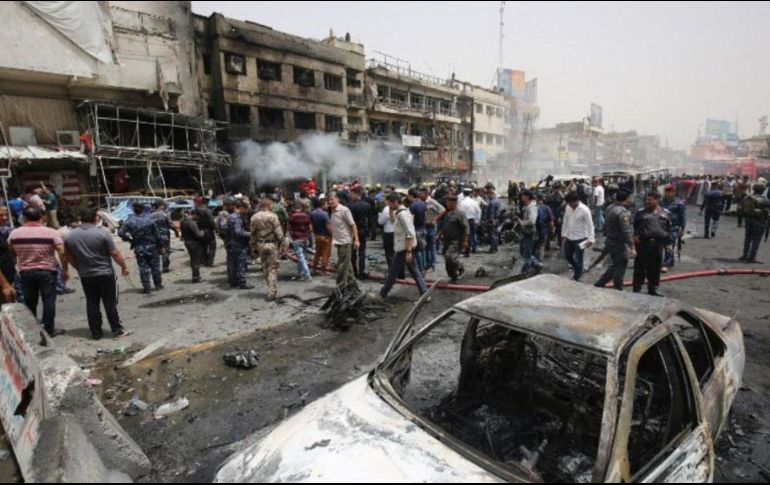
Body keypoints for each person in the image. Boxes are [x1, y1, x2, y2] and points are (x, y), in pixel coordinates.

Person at [64, 208, 130, 340]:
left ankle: (96, 332)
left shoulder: (70, 235)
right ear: (96, 219)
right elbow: (115, 253)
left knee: (92, 302)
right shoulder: (102, 233)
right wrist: (123, 266)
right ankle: (117, 330)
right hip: (105, 273)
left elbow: (68, 256)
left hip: (86, 274)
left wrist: (78, 267)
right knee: (110, 303)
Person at [8, 207, 69, 336]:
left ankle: (33, 329)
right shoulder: (50, 232)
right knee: (48, 300)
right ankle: (48, 329)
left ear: (24, 218)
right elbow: (62, 253)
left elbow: (11, 254)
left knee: (30, 301)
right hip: (47, 272)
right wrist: (65, 270)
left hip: (25, 272)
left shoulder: (14, 234)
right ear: (41, 217)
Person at [369, 192, 428, 302]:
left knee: (393, 273)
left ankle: (382, 294)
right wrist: (391, 211)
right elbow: (392, 222)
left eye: (389, 204)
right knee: (414, 271)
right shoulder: (400, 212)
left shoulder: (403, 214)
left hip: (404, 248)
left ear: (395, 202)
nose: (388, 206)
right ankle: (425, 294)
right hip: (403, 247)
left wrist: (409, 251)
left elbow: (410, 233)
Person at [632, 192, 672, 296]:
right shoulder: (640, 212)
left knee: (655, 268)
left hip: (657, 244)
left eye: (650, 200)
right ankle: (637, 289)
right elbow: (634, 227)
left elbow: (667, 229)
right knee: (640, 268)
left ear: (657, 200)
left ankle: (653, 289)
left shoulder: (665, 213)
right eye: (646, 199)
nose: (647, 201)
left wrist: (668, 244)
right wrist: (634, 240)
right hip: (643, 244)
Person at [118, 202, 163, 294]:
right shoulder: (150, 220)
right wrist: (160, 246)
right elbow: (157, 235)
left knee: (143, 267)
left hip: (139, 247)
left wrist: (129, 240)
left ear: (134, 210)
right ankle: (158, 285)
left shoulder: (129, 221)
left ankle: (147, 287)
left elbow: (120, 232)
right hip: (152, 246)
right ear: (143, 209)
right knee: (155, 266)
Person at [594, 190, 636, 291]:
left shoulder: (610, 207)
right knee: (621, 266)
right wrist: (632, 247)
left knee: (616, 265)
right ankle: (618, 288)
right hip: (619, 242)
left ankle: (600, 283)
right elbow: (626, 231)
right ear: (626, 199)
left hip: (610, 240)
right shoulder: (623, 212)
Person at [251, 198, 284, 300]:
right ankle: (271, 292)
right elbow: (279, 233)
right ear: (268, 205)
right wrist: (282, 242)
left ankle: (269, 288)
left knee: (265, 267)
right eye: (271, 205)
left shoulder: (254, 217)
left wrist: (253, 248)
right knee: (272, 268)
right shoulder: (273, 216)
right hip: (272, 244)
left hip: (260, 244)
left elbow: (253, 234)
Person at [561, 191, 595, 281]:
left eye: (571, 203)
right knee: (567, 256)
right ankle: (579, 269)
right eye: (568, 203)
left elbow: (590, 225)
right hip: (569, 236)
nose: (570, 205)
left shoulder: (585, 210)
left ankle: (577, 277)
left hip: (581, 238)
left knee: (579, 258)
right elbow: (565, 220)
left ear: (576, 200)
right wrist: (563, 233)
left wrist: (591, 239)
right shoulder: (568, 207)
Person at [328, 191, 359, 289]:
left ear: (337, 199)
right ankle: (353, 286)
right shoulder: (333, 210)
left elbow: (353, 225)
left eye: (332, 199)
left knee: (342, 266)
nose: (330, 202)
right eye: (328, 200)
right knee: (347, 265)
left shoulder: (344, 210)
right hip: (339, 242)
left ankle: (340, 287)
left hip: (345, 241)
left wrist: (356, 240)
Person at [437, 194, 469, 283]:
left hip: (456, 240)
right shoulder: (448, 213)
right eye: (446, 202)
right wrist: (439, 234)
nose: (446, 204)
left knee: (449, 256)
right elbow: (445, 225)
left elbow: (466, 227)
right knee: (447, 260)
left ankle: (461, 267)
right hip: (446, 239)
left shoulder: (460, 214)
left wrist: (465, 241)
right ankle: (453, 277)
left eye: (448, 202)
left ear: (454, 203)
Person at [739, 182, 770, 263]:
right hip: (759, 221)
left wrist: (739, 222)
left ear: (753, 189)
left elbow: (740, 209)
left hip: (748, 220)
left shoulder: (747, 198)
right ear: (763, 190)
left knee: (748, 238)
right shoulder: (765, 200)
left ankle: (745, 255)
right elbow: (767, 212)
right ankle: (752, 257)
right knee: (756, 240)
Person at [225, 201, 253, 290]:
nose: (246, 211)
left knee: (232, 263)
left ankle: (233, 281)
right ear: (241, 208)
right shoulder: (237, 218)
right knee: (241, 263)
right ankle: (242, 282)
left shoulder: (230, 217)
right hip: (238, 244)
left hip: (230, 243)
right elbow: (238, 232)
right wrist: (250, 234)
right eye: (246, 209)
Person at [661, 185, 686, 271]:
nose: (668, 193)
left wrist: (682, 229)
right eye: (667, 191)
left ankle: (667, 264)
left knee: (670, 244)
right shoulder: (661, 202)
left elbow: (682, 216)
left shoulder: (679, 203)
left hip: (673, 227)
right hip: (662, 226)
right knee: (660, 244)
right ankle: (660, 261)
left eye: (670, 191)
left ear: (674, 192)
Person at [287, 201, 312, 282]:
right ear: (301, 207)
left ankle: (307, 275)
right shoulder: (306, 215)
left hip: (297, 238)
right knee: (302, 257)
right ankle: (299, 274)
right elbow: (310, 227)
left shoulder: (292, 216)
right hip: (305, 238)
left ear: (294, 207)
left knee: (301, 257)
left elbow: (288, 227)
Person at [349, 188, 371, 279]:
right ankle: (361, 272)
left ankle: (354, 272)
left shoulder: (351, 206)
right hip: (363, 230)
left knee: (353, 252)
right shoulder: (367, 205)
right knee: (362, 252)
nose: (350, 196)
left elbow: (350, 221)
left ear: (356, 194)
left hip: (354, 230)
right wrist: (368, 231)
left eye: (352, 194)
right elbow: (370, 220)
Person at [420, 187, 445, 270]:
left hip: (431, 227)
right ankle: (427, 263)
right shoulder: (421, 202)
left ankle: (432, 264)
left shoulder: (432, 202)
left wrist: (435, 219)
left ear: (426, 194)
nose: (420, 195)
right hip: (424, 226)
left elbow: (442, 210)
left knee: (431, 246)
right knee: (425, 246)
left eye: (421, 193)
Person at [181, 209, 207, 283]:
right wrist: (203, 232)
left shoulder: (183, 221)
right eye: (198, 216)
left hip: (187, 242)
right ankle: (196, 277)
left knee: (193, 260)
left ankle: (195, 276)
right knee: (196, 260)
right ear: (195, 214)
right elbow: (199, 235)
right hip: (194, 243)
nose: (198, 218)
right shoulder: (192, 223)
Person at [519, 190, 542, 274]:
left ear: (527, 197)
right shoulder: (527, 206)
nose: (521, 197)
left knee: (527, 254)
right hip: (526, 233)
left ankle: (525, 272)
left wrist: (522, 222)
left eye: (523, 195)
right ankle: (537, 264)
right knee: (523, 252)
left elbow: (532, 221)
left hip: (530, 234)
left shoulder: (532, 207)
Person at [151, 200, 176, 273]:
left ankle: (155, 268)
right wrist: (176, 230)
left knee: (156, 251)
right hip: (164, 235)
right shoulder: (165, 214)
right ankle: (165, 267)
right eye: (164, 205)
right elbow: (171, 225)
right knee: (166, 251)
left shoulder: (150, 215)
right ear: (161, 205)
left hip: (154, 236)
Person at [407, 189, 428, 271]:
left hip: (416, 230)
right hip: (423, 229)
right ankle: (424, 266)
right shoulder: (423, 204)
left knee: (417, 251)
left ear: (411, 196)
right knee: (423, 250)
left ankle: (420, 269)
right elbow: (426, 216)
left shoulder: (412, 206)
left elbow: (411, 219)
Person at [310, 198, 332, 275]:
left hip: (317, 236)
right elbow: (328, 226)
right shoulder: (325, 214)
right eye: (326, 204)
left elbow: (311, 225)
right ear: (322, 205)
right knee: (325, 254)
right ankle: (324, 270)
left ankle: (314, 268)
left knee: (317, 253)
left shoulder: (312, 213)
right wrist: (332, 234)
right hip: (325, 236)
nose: (327, 205)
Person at [458, 188, 480, 257]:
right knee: (471, 235)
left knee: (464, 236)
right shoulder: (474, 202)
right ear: (470, 193)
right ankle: (472, 249)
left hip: (463, 221)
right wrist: (477, 221)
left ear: (463, 194)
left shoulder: (461, 203)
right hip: (472, 220)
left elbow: (459, 213)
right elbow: (478, 212)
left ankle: (465, 251)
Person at [534, 192, 554, 264]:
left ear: (536, 199)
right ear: (543, 199)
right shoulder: (547, 208)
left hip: (534, 230)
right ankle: (540, 262)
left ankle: (534, 262)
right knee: (541, 246)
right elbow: (551, 222)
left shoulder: (533, 207)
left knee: (535, 246)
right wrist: (552, 230)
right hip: (543, 230)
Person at [197, 199, 217, 267]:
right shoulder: (208, 211)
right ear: (207, 203)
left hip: (200, 230)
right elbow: (211, 221)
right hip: (208, 231)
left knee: (203, 246)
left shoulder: (197, 210)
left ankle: (203, 261)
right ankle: (210, 261)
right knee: (212, 246)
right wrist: (216, 229)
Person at [483, 184, 501, 253]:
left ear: (491, 194)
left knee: (492, 234)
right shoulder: (497, 201)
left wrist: (490, 221)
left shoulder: (492, 202)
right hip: (497, 219)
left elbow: (491, 213)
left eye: (488, 195)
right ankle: (495, 247)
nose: (487, 196)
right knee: (495, 234)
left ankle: (492, 248)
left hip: (492, 220)